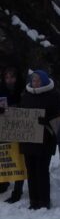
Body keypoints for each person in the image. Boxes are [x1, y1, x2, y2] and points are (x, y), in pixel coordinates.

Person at [17, 70, 60, 210]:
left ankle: (44, 201)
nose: (35, 83)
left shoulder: (53, 96)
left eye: (38, 80)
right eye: (33, 80)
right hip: (28, 140)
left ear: (44, 80)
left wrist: (47, 121)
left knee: (42, 171)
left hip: (45, 139)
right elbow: (19, 113)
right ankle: (33, 200)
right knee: (30, 171)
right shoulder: (25, 95)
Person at [0, 66, 26, 203]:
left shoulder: (23, 90)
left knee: (18, 158)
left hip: (20, 129)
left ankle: (18, 189)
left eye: (12, 77)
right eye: (7, 77)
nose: (10, 80)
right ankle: (3, 183)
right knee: (5, 156)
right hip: (3, 130)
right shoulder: (1, 90)